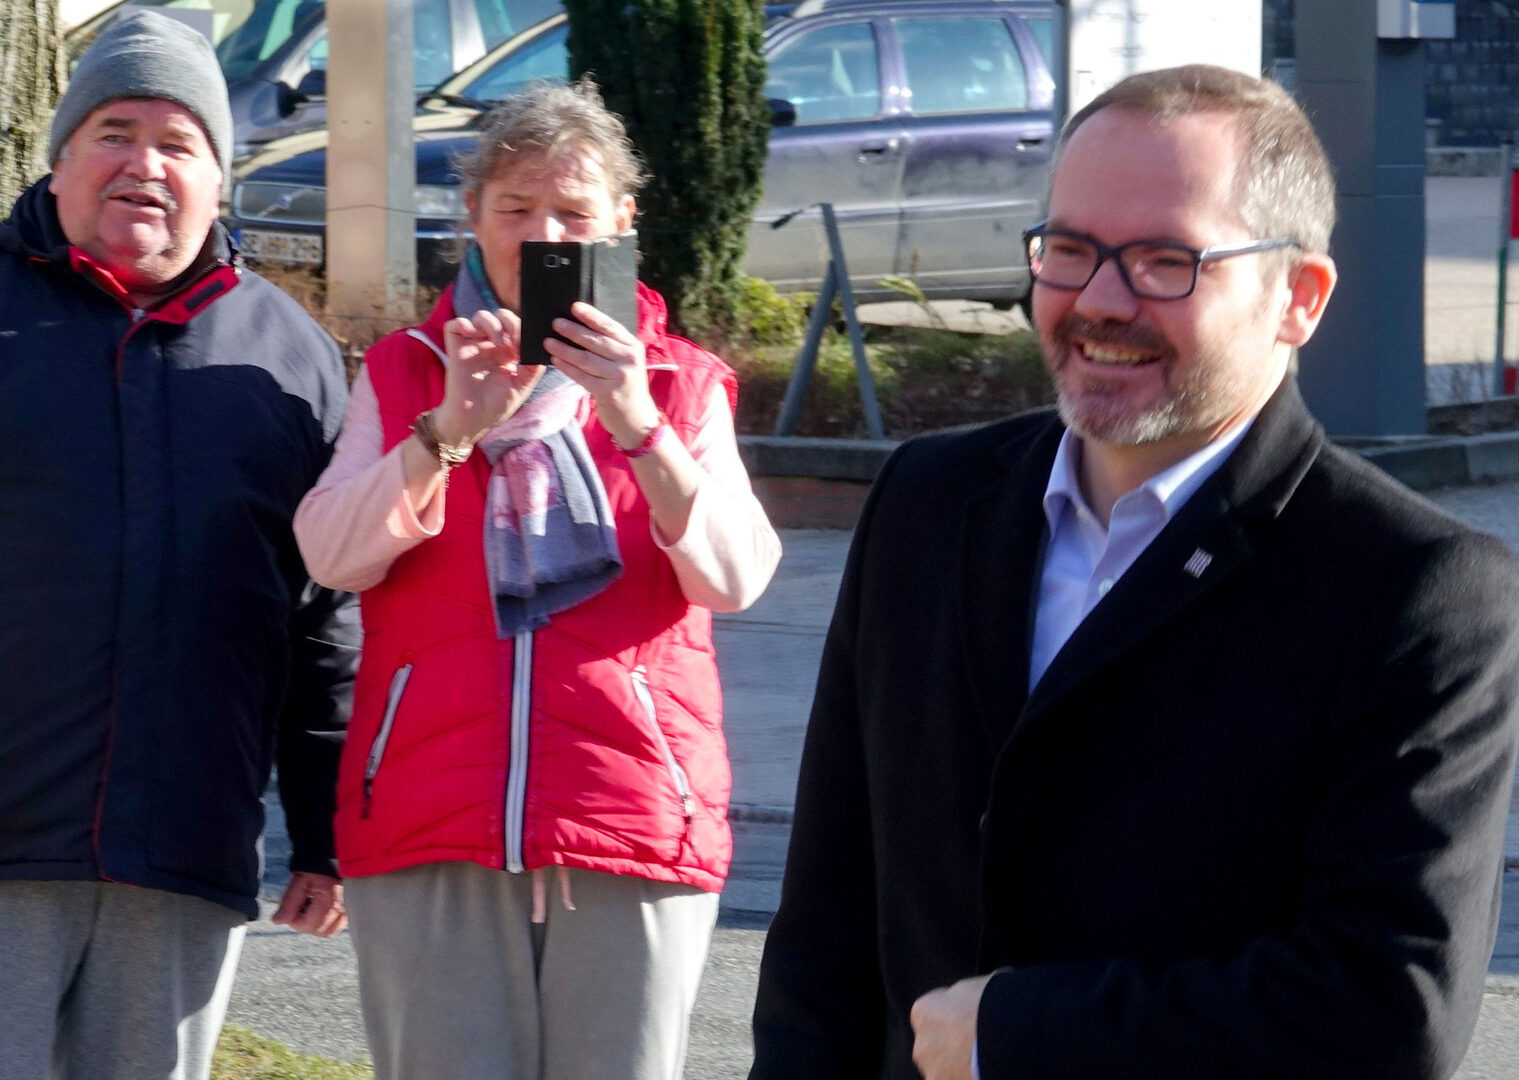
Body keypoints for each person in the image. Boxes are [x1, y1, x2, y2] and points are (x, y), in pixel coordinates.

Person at [749, 64, 1519, 1080]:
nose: (1099, 302)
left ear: (1298, 298)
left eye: (1166, 262)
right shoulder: (926, 506)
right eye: (1069, 250)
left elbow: (1389, 1009)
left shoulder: (1416, 589)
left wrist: (1019, 1032)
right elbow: (826, 926)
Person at [293, 77, 781, 1080]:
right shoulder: (406, 369)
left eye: (573, 211)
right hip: (428, 819)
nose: (544, 235)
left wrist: (636, 421)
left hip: (633, 816)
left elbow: (734, 578)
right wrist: (446, 431)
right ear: (472, 216)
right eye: (516, 208)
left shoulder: (681, 382)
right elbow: (332, 555)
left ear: (621, 223)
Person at [0, 11, 359, 1080]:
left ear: (218, 177)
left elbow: (324, 615)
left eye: (179, 142)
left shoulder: (290, 360)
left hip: (182, 854)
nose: (144, 164)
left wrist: (327, 832)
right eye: (114, 132)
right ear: (60, 155)